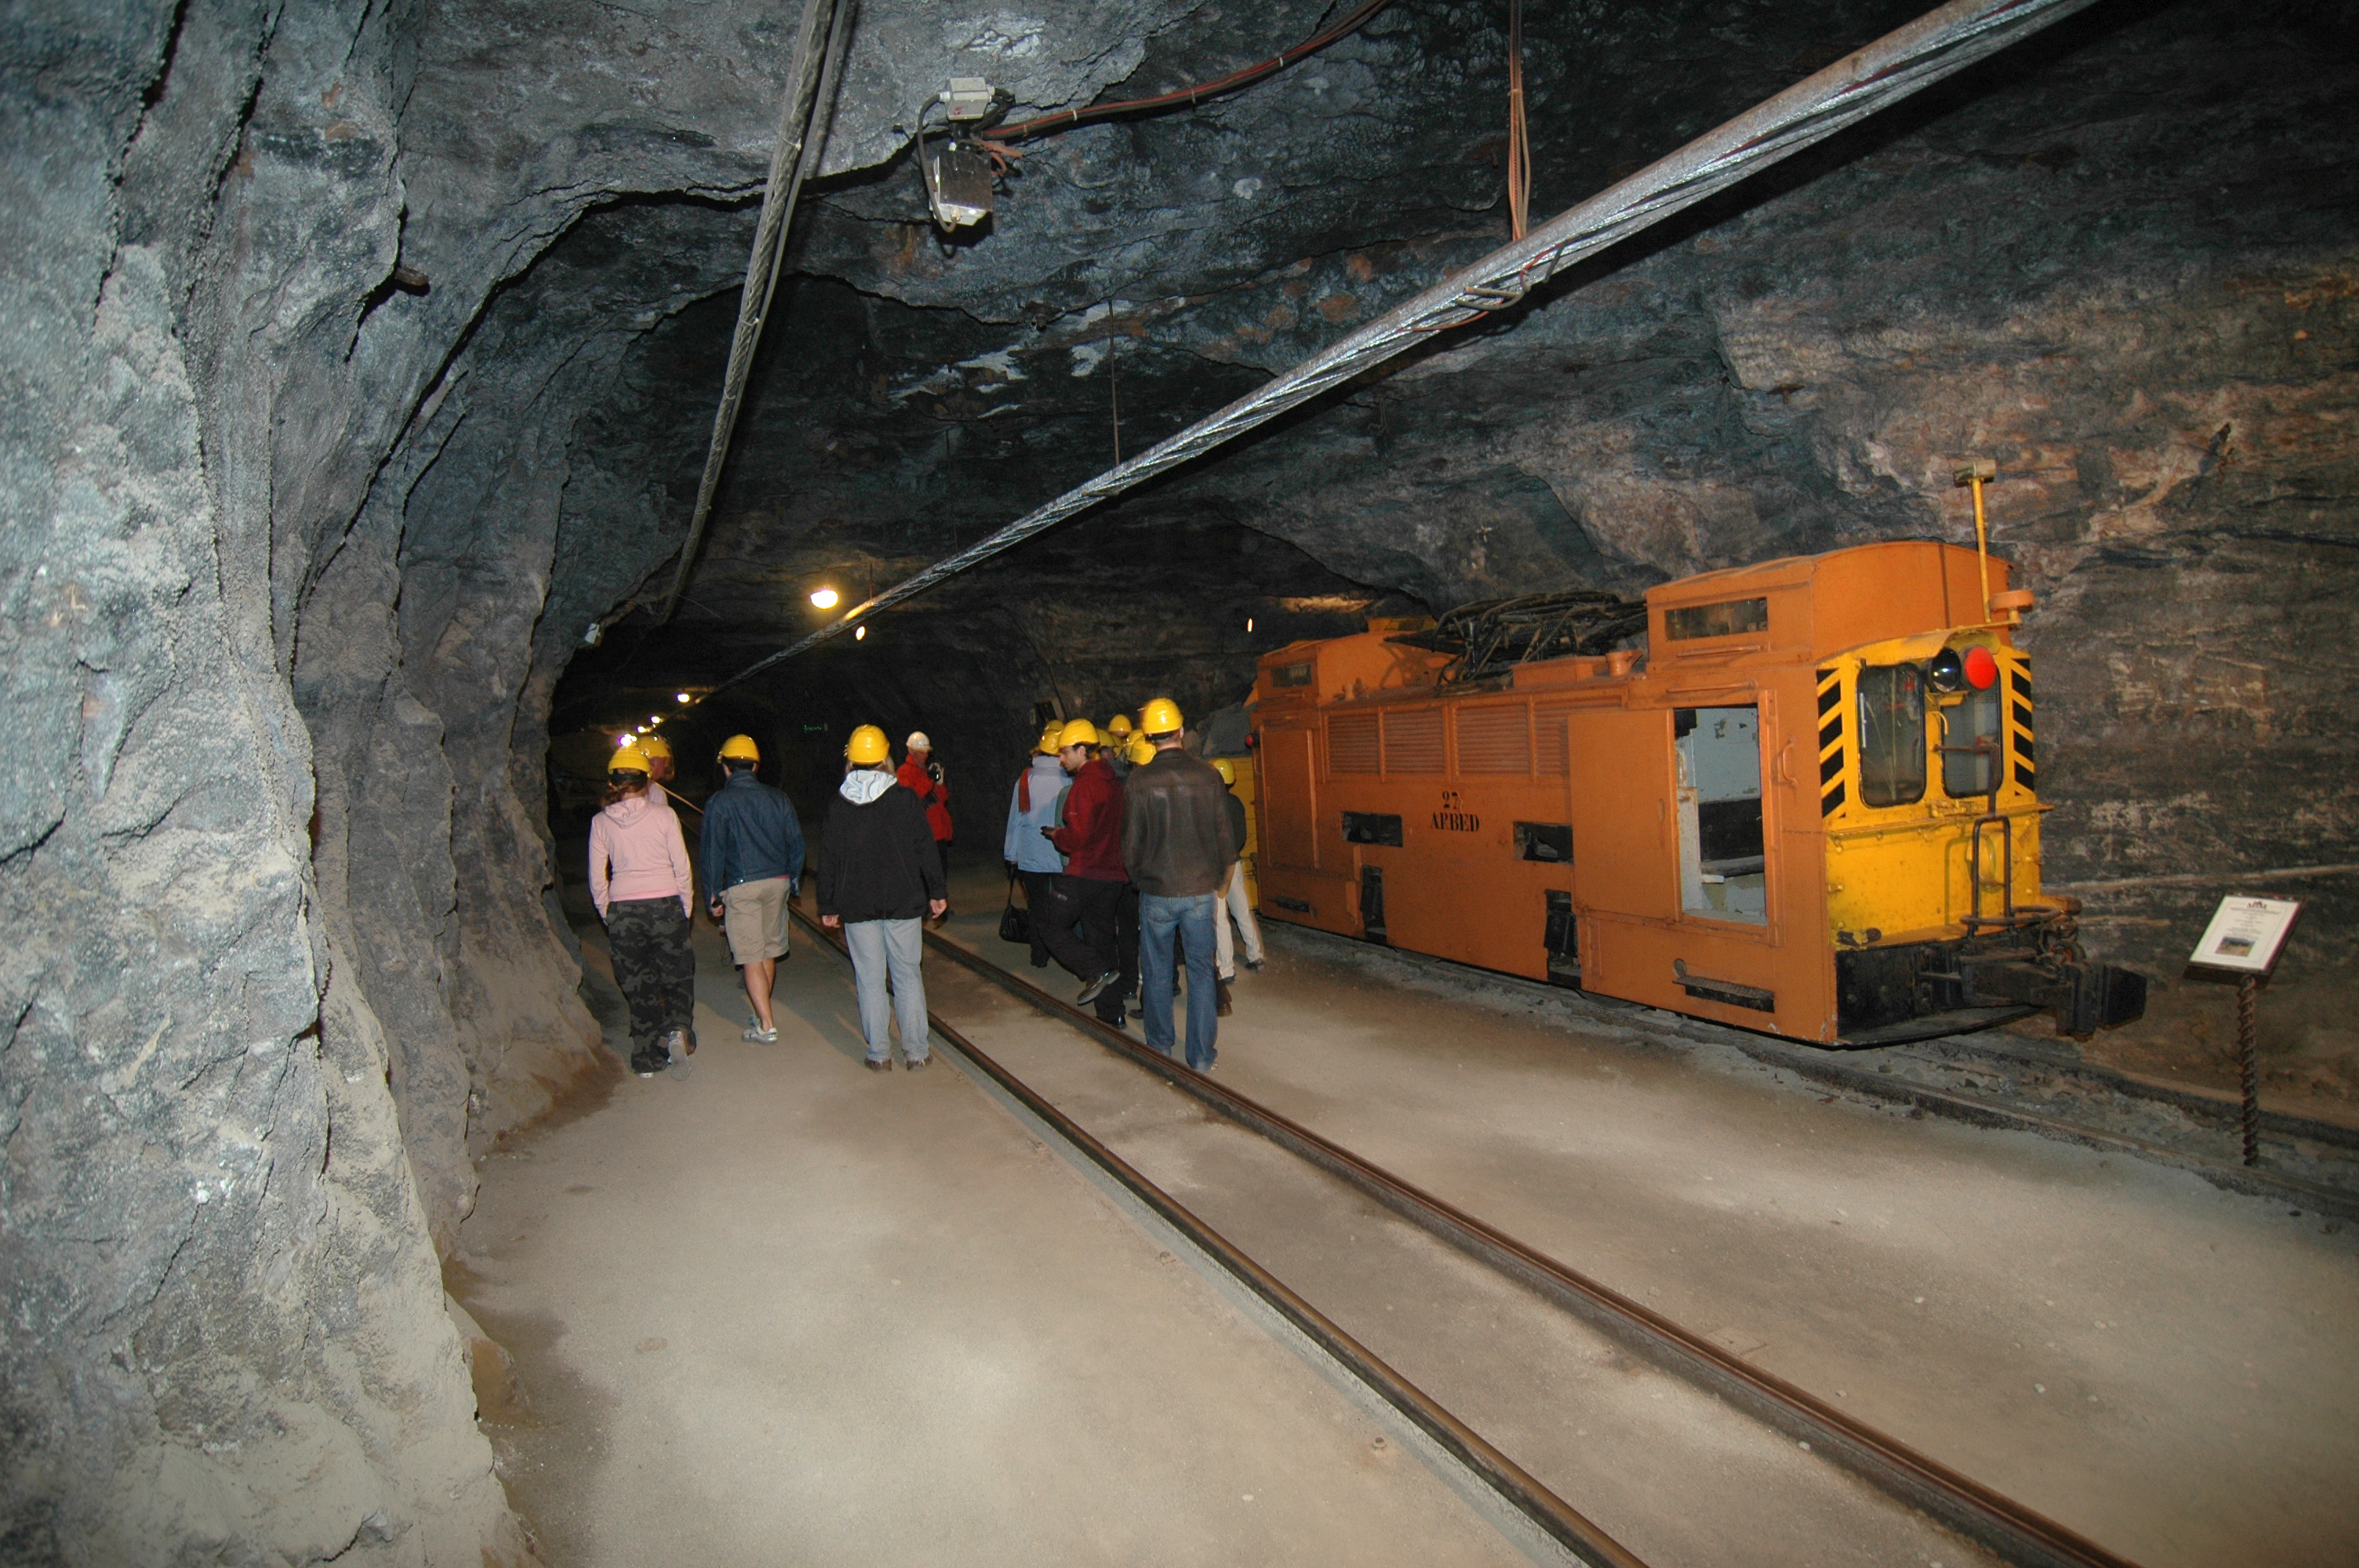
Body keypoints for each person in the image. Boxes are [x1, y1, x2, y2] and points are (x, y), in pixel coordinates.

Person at [818, 724, 948, 1071]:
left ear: (852, 761)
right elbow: (925, 847)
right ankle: (917, 1052)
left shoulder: (838, 804)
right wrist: (937, 891)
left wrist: (827, 904)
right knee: (907, 975)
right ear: (885, 759)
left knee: (870, 979)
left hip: (857, 905)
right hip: (903, 901)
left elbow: (828, 856)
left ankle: (879, 1054)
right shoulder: (904, 799)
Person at [1121, 698, 1235, 1071]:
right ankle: (1201, 1057)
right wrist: (1217, 880)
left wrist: (1142, 879)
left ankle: (1160, 1047)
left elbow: (1130, 845)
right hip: (1200, 890)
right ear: (1182, 733)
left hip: (1157, 891)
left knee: (1155, 971)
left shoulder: (1139, 781)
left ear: (1150, 738)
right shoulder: (1208, 776)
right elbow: (1224, 838)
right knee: (1202, 972)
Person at [588, 745, 698, 1080]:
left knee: (638, 983)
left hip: (624, 909)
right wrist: (685, 908)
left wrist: (610, 914)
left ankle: (646, 1058)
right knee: (676, 975)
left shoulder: (600, 822)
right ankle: (678, 1030)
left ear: (613, 782)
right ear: (647, 781)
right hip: (666, 904)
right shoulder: (665, 816)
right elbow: (682, 866)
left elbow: (597, 877)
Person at [701, 733, 804, 1044]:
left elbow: (712, 853)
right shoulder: (778, 798)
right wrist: (793, 879)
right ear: (756, 766)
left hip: (742, 885)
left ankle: (766, 1026)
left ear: (727, 768)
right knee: (768, 950)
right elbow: (796, 844)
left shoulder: (720, 802)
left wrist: (712, 894)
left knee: (749, 955)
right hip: (777, 883)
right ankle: (763, 1013)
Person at [1039, 717, 1128, 1027]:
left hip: (1085, 872)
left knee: (1050, 925)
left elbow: (1077, 837)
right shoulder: (1112, 782)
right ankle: (1112, 1014)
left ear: (1081, 749)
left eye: (1064, 752)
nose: (1061, 758)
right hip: (1112, 875)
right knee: (1102, 940)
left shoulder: (1084, 786)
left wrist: (1057, 836)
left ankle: (1094, 972)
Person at [1003, 726, 1069, 970]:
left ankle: (1039, 955)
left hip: (1031, 857)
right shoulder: (1069, 778)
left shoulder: (1026, 779)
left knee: (1038, 907)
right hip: (1062, 854)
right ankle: (1064, 953)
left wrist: (1011, 854)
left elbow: (1016, 819)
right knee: (1062, 907)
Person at [1210, 757, 1265, 1011]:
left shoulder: (1211, 806)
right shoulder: (1236, 803)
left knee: (1219, 918)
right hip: (1237, 863)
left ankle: (1226, 968)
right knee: (1242, 910)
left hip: (1219, 866)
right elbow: (1241, 836)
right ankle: (1256, 954)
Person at [898, 731, 954, 848]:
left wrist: (939, 784)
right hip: (923, 835)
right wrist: (929, 780)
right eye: (922, 752)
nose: (926, 755)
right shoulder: (904, 772)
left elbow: (942, 800)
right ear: (911, 751)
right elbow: (912, 798)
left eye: (927, 752)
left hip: (938, 833)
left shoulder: (926, 772)